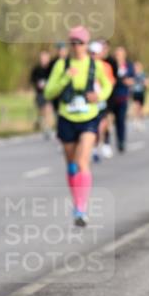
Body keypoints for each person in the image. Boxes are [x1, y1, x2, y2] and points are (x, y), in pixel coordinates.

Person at [43, 25, 113, 227]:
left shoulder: (95, 65)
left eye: (80, 42)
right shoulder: (61, 65)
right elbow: (48, 92)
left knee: (83, 161)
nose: (76, 46)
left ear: (86, 44)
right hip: (66, 118)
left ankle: (81, 209)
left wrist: (99, 96)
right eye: (72, 42)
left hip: (89, 118)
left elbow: (108, 85)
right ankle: (77, 203)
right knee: (72, 166)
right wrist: (66, 78)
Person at [108, 46, 134, 153]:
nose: (118, 56)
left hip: (123, 96)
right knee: (108, 120)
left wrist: (128, 81)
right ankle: (106, 142)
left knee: (120, 120)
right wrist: (121, 81)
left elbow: (132, 79)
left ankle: (121, 141)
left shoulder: (129, 65)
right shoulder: (111, 64)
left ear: (124, 55)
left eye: (120, 53)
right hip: (110, 96)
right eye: (116, 53)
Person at [30, 50, 54, 139]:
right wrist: (38, 84)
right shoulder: (36, 69)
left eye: (45, 58)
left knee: (49, 110)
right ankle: (42, 124)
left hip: (49, 93)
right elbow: (32, 80)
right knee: (42, 112)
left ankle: (48, 129)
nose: (43, 59)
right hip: (40, 94)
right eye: (41, 58)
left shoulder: (52, 68)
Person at [130, 60, 149, 131]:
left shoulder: (143, 74)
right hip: (134, 92)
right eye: (135, 66)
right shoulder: (132, 74)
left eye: (137, 66)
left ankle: (141, 121)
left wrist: (146, 84)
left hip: (141, 92)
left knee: (141, 108)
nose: (136, 68)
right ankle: (136, 120)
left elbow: (148, 83)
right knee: (136, 106)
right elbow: (130, 82)